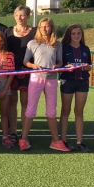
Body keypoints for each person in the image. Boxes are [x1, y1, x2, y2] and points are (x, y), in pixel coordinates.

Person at [20, 17, 66, 151]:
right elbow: (25, 61)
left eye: (47, 26)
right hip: (36, 78)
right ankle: (23, 139)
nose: (44, 29)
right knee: (31, 109)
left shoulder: (57, 44)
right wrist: (33, 65)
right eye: (42, 27)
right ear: (39, 29)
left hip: (51, 79)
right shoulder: (33, 43)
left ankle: (55, 141)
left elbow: (60, 62)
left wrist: (56, 66)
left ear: (51, 28)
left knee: (51, 111)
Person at [4, 5, 37, 143]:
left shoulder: (35, 32)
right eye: (17, 15)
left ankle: (24, 131)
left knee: (25, 102)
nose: (20, 17)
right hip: (11, 71)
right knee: (12, 102)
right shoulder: (8, 32)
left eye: (23, 15)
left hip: (27, 70)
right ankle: (13, 132)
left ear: (28, 16)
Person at [59, 24, 91, 152]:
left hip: (82, 82)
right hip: (68, 81)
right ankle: (64, 140)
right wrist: (66, 67)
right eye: (73, 33)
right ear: (69, 35)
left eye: (79, 33)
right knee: (65, 111)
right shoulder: (64, 48)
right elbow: (59, 65)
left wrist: (88, 67)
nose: (76, 36)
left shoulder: (85, 49)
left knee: (79, 112)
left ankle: (80, 141)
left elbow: (89, 66)